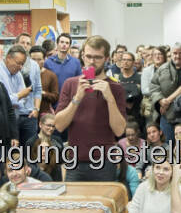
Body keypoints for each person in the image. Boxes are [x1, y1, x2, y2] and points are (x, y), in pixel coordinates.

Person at [53, 36, 128, 182]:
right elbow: (59, 125)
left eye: (97, 57)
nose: (92, 61)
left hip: (105, 161)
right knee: (74, 204)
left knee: (103, 204)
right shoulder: (70, 84)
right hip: (75, 161)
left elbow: (119, 130)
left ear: (107, 58)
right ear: (82, 56)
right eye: (88, 56)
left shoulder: (116, 88)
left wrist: (110, 98)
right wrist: (77, 98)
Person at [0, 45, 37, 147]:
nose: (20, 67)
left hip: (15, 118)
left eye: (22, 64)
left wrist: (16, 98)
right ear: (8, 58)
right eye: (18, 63)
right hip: (1, 122)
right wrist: (18, 96)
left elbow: (22, 100)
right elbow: (1, 101)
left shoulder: (18, 74)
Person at [29, 45, 60, 117]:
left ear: (44, 59)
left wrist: (41, 92)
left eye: (39, 59)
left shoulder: (51, 75)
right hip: (28, 114)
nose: (36, 62)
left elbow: (55, 97)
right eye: (33, 59)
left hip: (44, 115)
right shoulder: (24, 75)